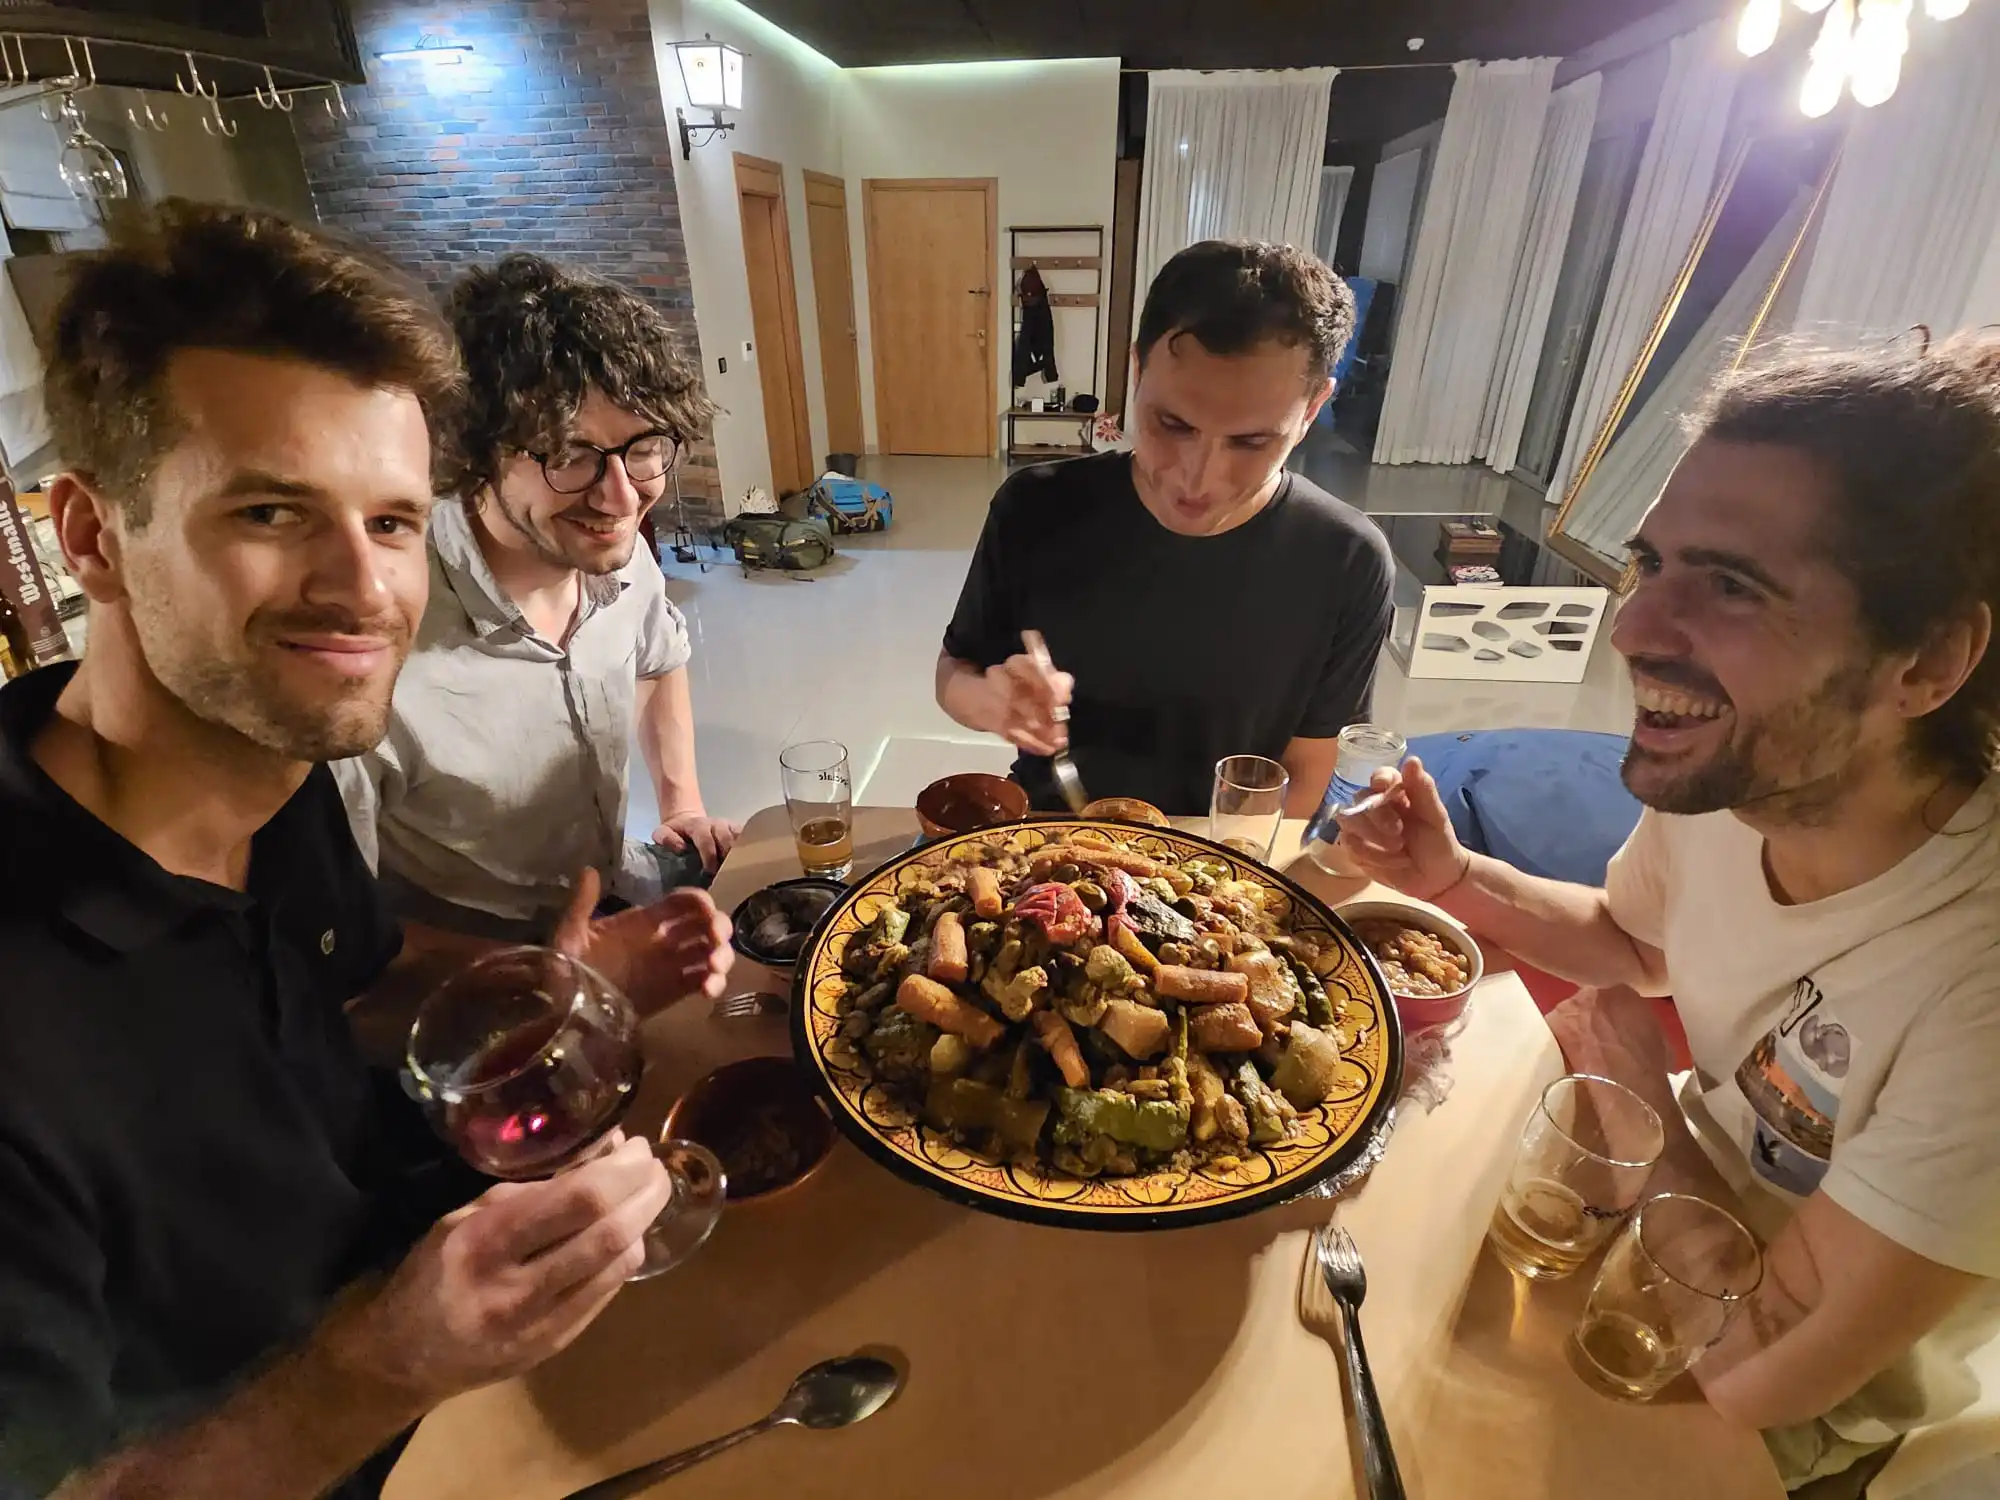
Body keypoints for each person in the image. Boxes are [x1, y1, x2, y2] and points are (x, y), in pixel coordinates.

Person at [0, 202, 731, 1499]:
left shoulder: (269, 786)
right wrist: (383, 1364)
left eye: (390, 523)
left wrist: (543, 980)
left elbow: (356, 981)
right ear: (92, 535)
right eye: (273, 513)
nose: (362, 591)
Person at [1338, 339, 2000, 1495]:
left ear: (1928, 660)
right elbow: (1634, 942)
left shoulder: (1975, 983)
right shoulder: (1743, 783)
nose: (1634, 626)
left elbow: (1764, 1364)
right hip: (1642, 1215)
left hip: (1764, 1429)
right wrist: (1451, 879)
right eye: (1649, 563)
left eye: (1731, 583)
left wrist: (1646, 1108)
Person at [335, 253, 738, 943]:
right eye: (568, 455)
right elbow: (345, 946)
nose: (619, 498)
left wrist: (683, 804)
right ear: (475, 450)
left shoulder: (623, 556)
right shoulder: (373, 641)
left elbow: (659, 656)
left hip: (612, 888)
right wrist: (542, 975)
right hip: (469, 966)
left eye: (643, 448)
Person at [936, 239, 1394, 817]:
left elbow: (1307, 772)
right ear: (1136, 369)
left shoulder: (1346, 560)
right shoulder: (1035, 507)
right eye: (1171, 424)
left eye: (1251, 442)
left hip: (1220, 855)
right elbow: (955, 672)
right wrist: (991, 701)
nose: (1197, 479)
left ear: (1310, 411)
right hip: (1048, 836)